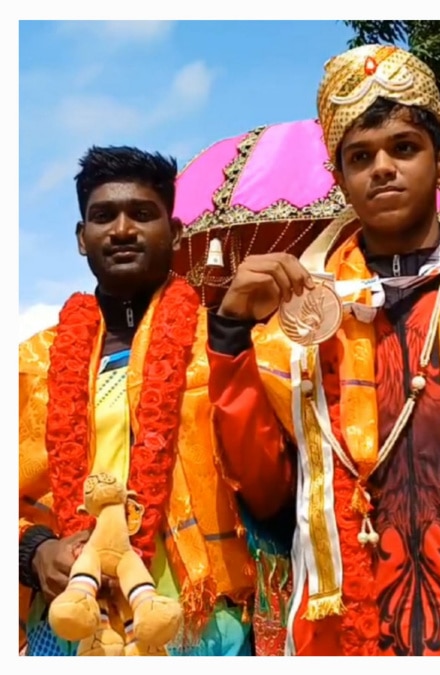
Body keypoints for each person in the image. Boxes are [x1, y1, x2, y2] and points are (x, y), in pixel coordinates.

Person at [204, 45, 440, 657]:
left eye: (403, 148)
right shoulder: (302, 319)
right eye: (361, 157)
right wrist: (229, 334)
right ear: (339, 180)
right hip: (348, 633)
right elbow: (268, 494)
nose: (382, 167)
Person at [17, 146, 257, 656]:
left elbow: (267, 473)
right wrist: (33, 552)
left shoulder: (222, 345)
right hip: (70, 611)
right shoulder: (31, 362)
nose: (122, 229)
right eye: (103, 216)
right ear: (82, 239)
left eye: (142, 214)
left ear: (173, 231)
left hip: (198, 616)